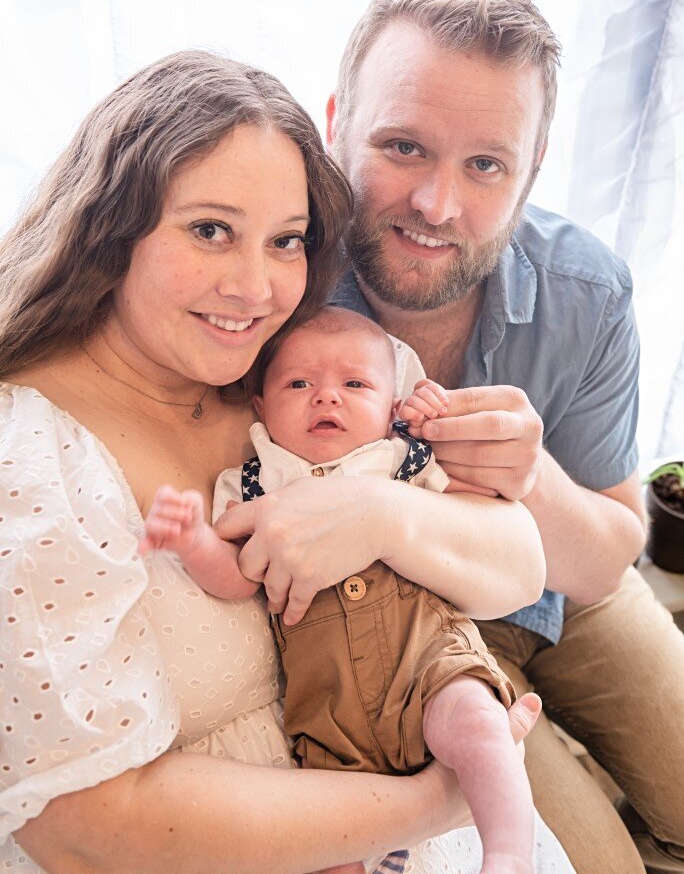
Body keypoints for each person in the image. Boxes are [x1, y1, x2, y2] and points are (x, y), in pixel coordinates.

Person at [0, 49, 570, 874]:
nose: (256, 286)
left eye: (287, 241)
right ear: (108, 226)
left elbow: (519, 567)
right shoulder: (33, 464)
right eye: (210, 231)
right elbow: (92, 826)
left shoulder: (274, 386)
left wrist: (379, 513)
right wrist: (433, 801)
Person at [324, 0, 684, 874]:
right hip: (420, 631)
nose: (439, 206)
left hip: (565, 591)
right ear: (335, 126)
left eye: (485, 164)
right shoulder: (271, 293)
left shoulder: (588, 294)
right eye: (403, 146)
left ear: (531, 172)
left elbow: (607, 554)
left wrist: (530, 482)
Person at [141, 305, 537, 874]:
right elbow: (235, 578)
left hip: (425, 658)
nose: (327, 397)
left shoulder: (404, 460)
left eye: (355, 383)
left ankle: (508, 855)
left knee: (479, 727)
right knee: (327, 849)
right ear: (260, 405)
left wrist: (432, 419)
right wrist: (194, 541)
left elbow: (482, 524)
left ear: (392, 406)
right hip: (327, 706)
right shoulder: (250, 484)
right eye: (299, 383)